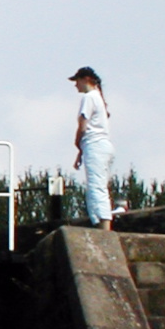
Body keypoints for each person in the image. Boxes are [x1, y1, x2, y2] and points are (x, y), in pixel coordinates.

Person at [70, 66, 115, 230]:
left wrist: (77, 142)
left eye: (77, 81)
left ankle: (104, 227)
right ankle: (99, 224)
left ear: (86, 79)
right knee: (96, 186)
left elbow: (83, 124)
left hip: (95, 146)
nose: (76, 85)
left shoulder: (89, 97)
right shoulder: (98, 98)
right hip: (99, 146)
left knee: (97, 187)